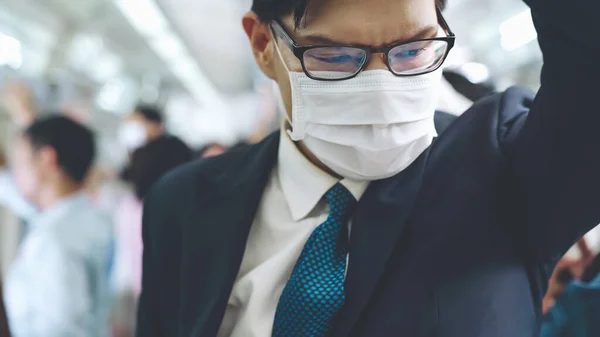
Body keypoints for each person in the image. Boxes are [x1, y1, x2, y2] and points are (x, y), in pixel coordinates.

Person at [136, 0, 600, 336]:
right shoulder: (183, 203)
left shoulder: (505, 167)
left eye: (413, 50)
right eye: (335, 57)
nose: (382, 89)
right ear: (263, 45)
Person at [3, 116, 113, 337]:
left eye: (19, 162)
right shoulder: (87, 220)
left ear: (47, 160)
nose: (15, 173)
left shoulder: (55, 238)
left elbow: (59, 329)